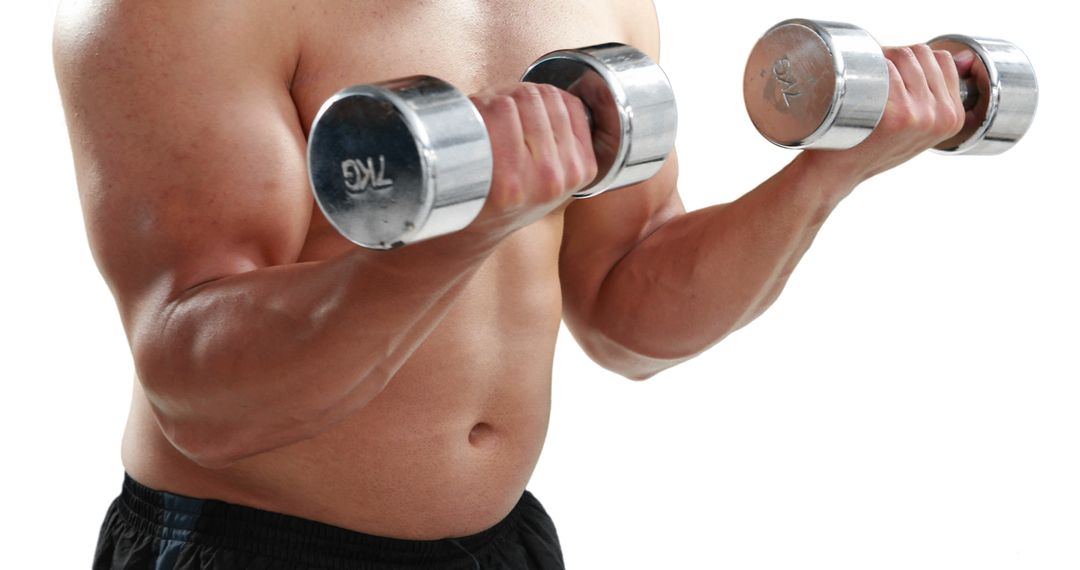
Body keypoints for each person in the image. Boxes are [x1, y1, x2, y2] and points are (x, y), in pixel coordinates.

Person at [54, 1, 972, 568]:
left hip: (500, 545)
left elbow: (628, 314)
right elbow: (203, 397)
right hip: (252, 547)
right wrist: (470, 228)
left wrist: (826, 172)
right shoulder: (176, 8)